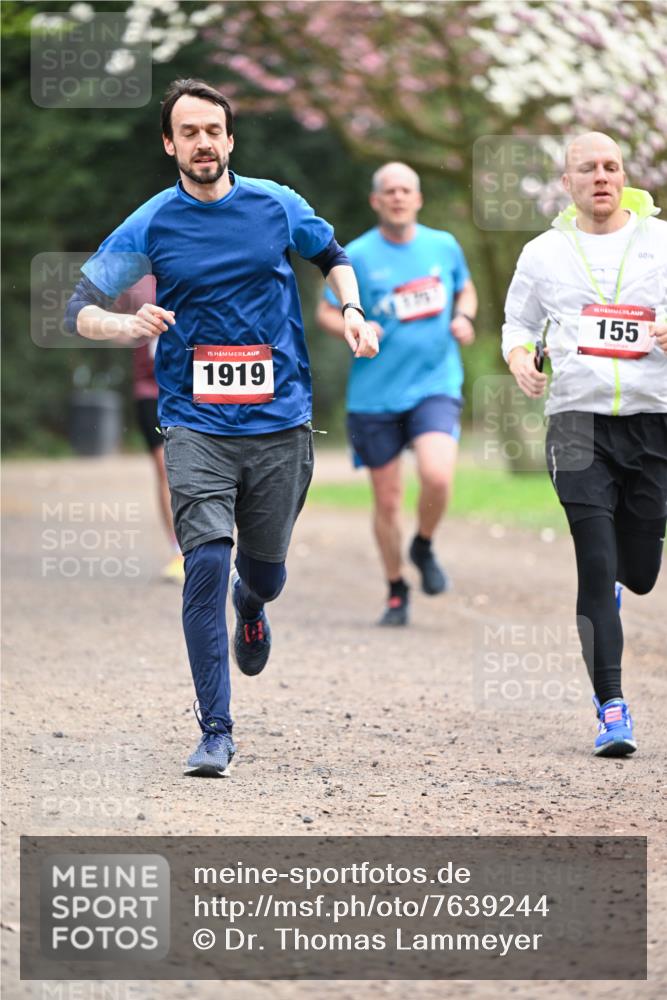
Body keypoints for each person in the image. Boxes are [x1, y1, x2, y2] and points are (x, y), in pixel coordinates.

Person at [65, 78, 378, 777]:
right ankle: (215, 730)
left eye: (214, 130)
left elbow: (332, 257)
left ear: (229, 139)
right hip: (193, 423)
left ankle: (253, 603)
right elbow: (78, 306)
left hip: (278, 422)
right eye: (189, 132)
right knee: (204, 560)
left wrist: (352, 311)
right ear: (169, 143)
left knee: (262, 570)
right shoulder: (150, 222)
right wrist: (124, 324)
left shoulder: (276, 205)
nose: (202, 142)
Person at [502, 131, 667, 757]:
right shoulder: (544, 253)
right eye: (586, 169)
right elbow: (516, 322)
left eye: (611, 167)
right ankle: (612, 708)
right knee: (595, 562)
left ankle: (623, 585)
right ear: (566, 183)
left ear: (623, 176)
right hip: (575, 422)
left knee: (642, 574)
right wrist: (520, 358)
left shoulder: (661, 242)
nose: (601, 177)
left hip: (654, 419)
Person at [316, 162, 477, 626]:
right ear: (376, 201)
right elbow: (328, 314)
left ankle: (423, 544)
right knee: (387, 500)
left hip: (434, 384)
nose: (399, 197)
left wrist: (464, 317)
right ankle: (395, 589)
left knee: (438, 475)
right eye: (390, 191)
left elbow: (465, 291)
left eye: (407, 190)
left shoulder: (443, 246)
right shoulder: (357, 256)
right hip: (375, 396)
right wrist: (356, 323)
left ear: (418, 198)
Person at [114, 276, 184, 584]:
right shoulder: (136, 283)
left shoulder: (200, 264)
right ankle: (178, 551)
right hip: (151, 390)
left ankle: (211, 545)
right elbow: (112, 327)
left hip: (193, 389)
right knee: (165, 470)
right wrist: (133, 326)